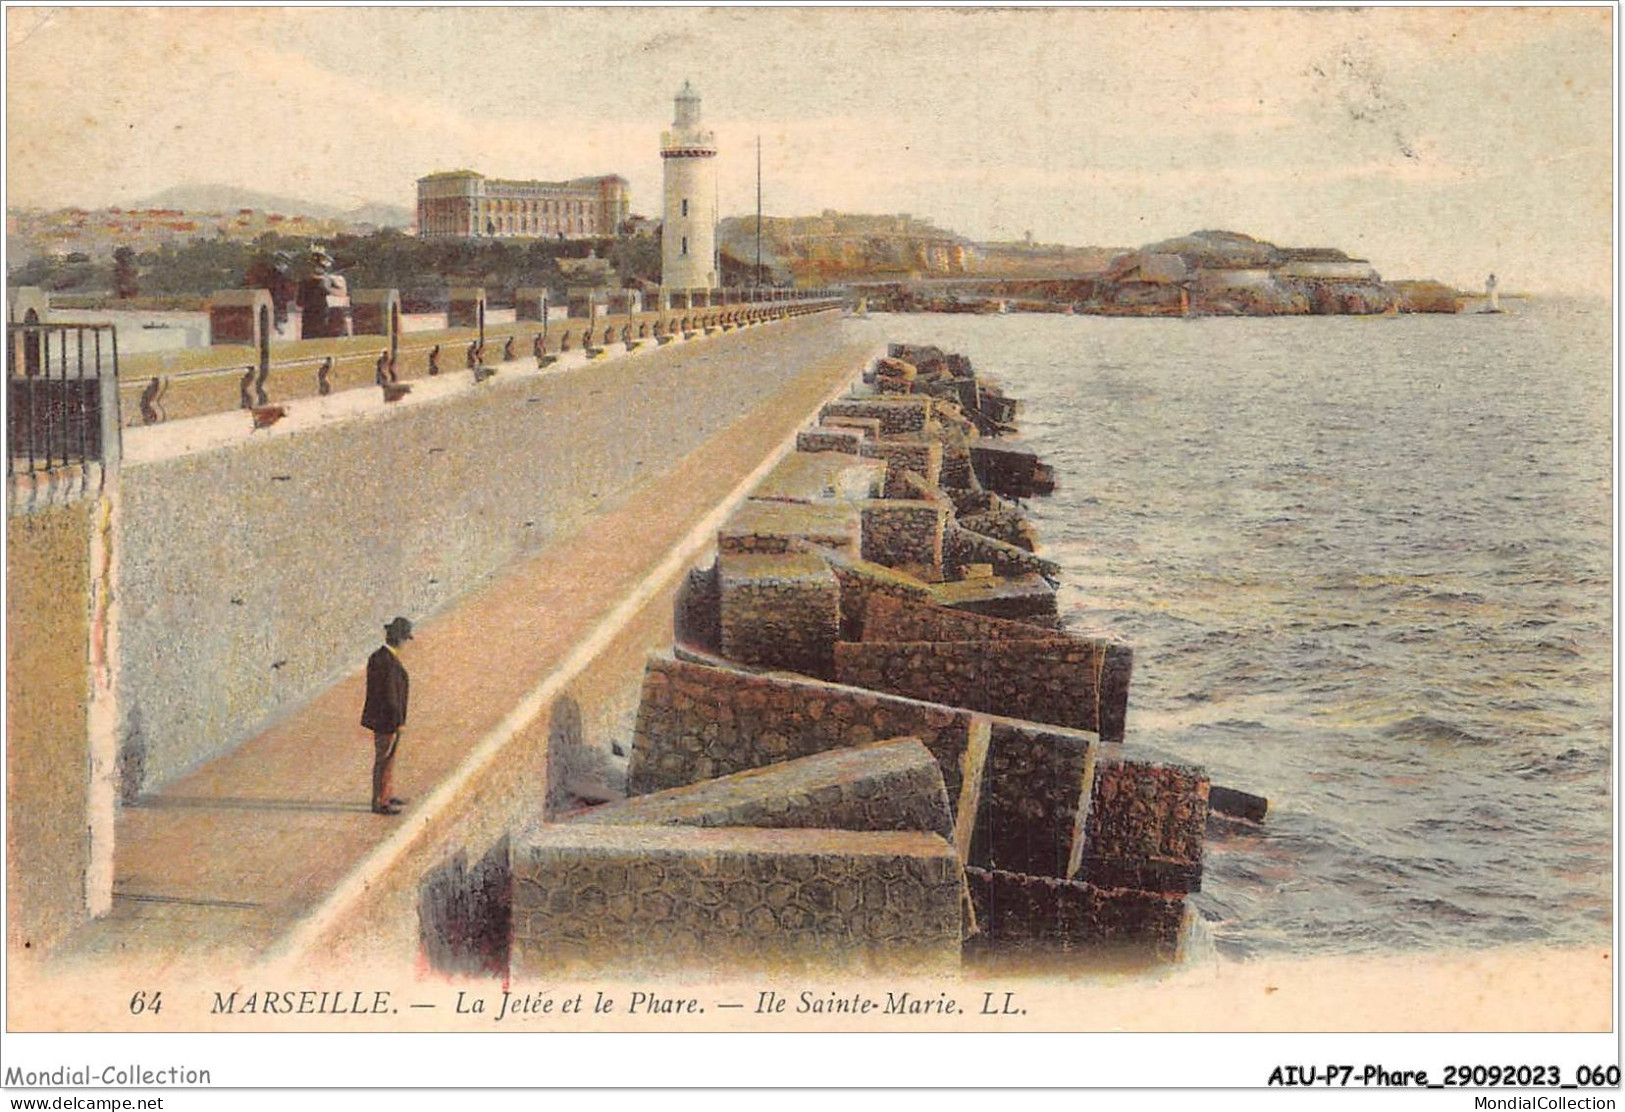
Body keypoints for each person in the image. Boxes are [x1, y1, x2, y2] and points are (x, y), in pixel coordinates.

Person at [361, 616, 413, 815]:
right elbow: (391, 696)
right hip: (388, 721)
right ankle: (380, 801)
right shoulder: (389, 663)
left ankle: (386, 793)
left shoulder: (377, 657)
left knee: (387, 759)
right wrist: (399, 721)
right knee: (385, 759)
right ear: (399, 639)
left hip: (380, 719)